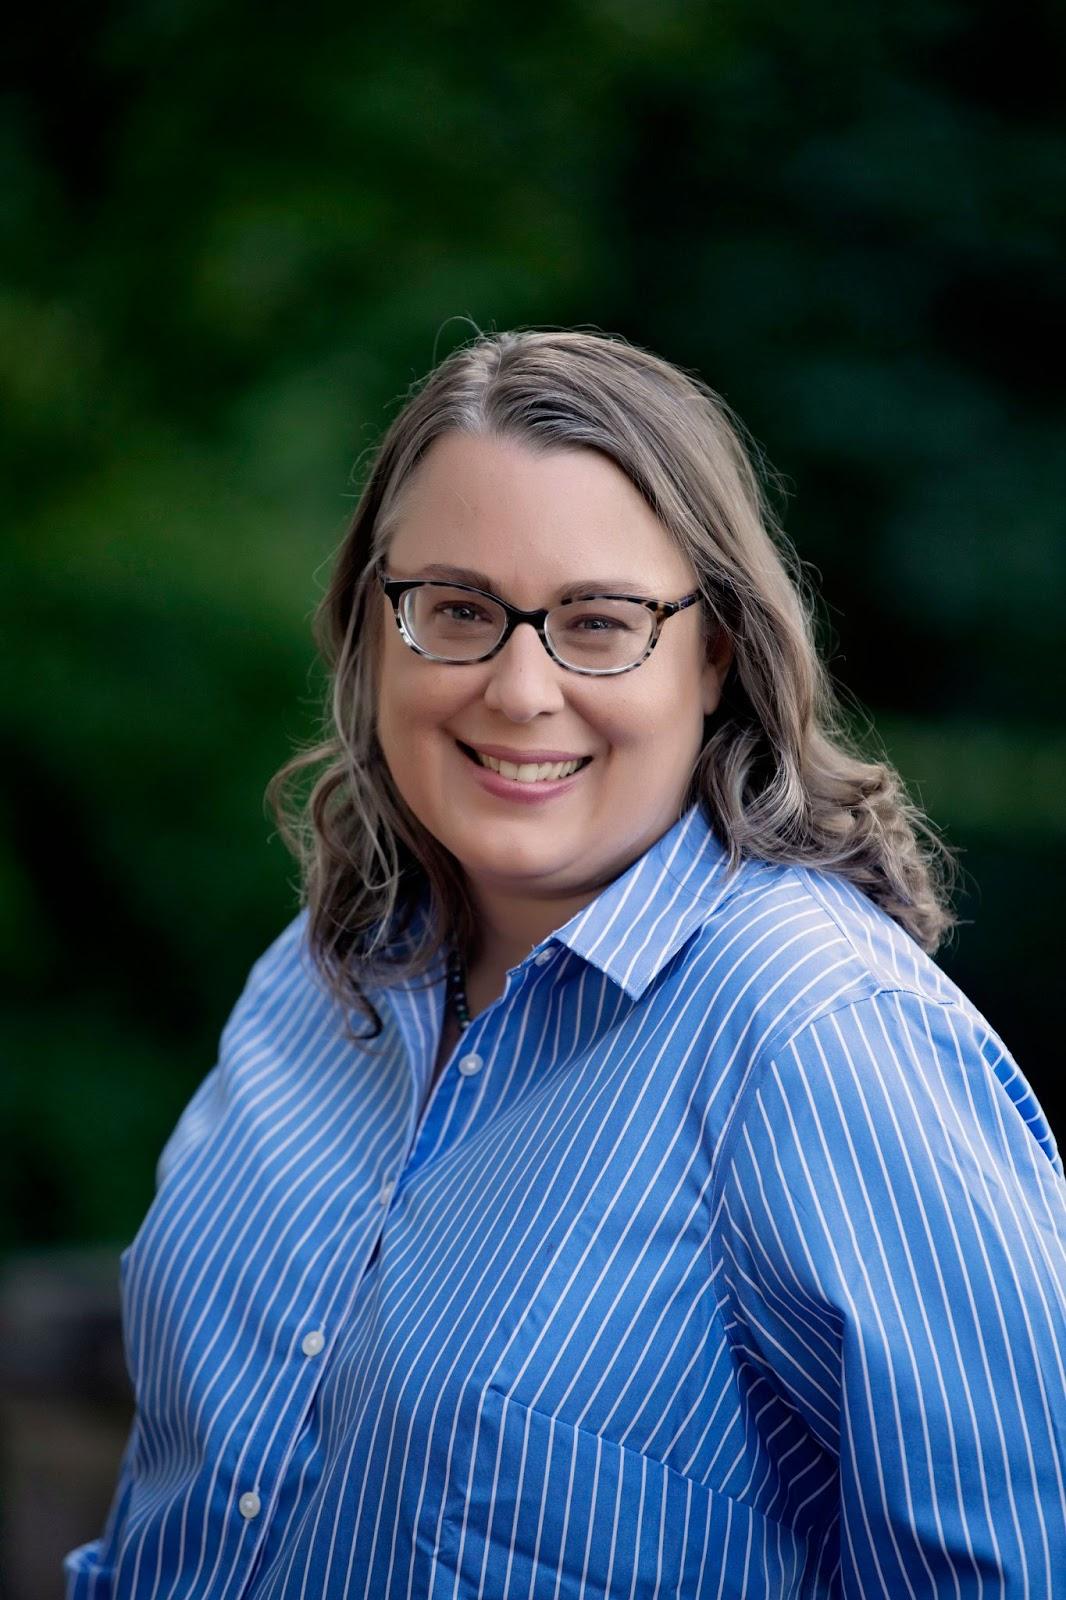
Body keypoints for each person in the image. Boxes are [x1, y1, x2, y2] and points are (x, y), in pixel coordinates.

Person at [65, 329, 1066, 1599]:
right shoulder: (313, 982)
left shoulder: (816, 1032)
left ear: (716, 657)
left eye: (600, 623)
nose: (520, 687)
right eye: (460, 611)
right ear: (375, 628)